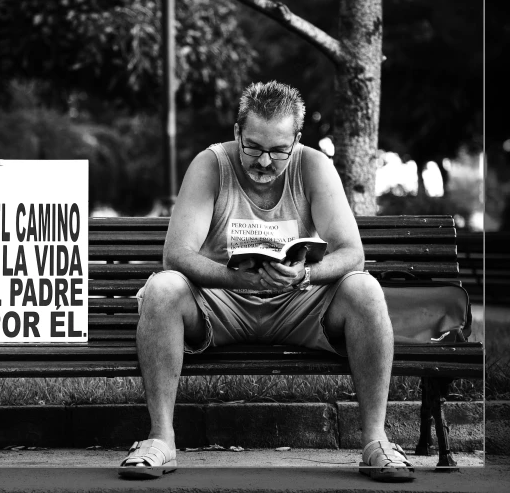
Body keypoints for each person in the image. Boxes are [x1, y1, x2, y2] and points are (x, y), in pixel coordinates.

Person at [117, 81, 415, 482]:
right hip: (223, 302)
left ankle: (376, 442)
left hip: (298, 300)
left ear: (297, 139)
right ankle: (160, 439)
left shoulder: (314, 167)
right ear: (237, 132)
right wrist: (232, 277)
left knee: (365, 287)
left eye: (278, 151)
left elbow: (351, 253)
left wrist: (305, 273)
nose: (264, 162)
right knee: (162, 287)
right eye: (253, 147)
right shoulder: (211, 165)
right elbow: (176, 254)